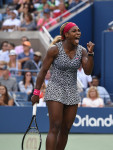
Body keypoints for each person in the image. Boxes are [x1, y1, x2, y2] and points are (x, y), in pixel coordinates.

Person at [31, 22, 95, 150]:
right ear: (66, 34)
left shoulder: (82, 51)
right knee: (55, 126)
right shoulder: (54, 49)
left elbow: (88, 71)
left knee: (65, 129)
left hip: (72, 91)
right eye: (74, 31)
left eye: (79, 30)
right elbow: (43, 71)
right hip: (55, 89)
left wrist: (90, 54)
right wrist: (36, 92)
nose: (78, 33)